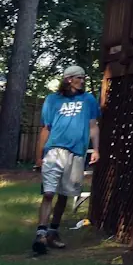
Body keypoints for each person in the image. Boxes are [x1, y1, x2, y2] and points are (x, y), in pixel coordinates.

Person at [32, 65, 100, 255]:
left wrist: (96, 149)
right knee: (48, 193)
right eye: (80, 78)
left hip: (76, 153)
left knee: (64, 194)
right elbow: (46, 128)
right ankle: (40, 234)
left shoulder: (88, 100)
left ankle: (53, 232)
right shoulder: (52, 100)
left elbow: (93, 126)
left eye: (84, 78)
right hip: (54, 151)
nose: (83, 81)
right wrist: (39, 156)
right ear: (69, 79)